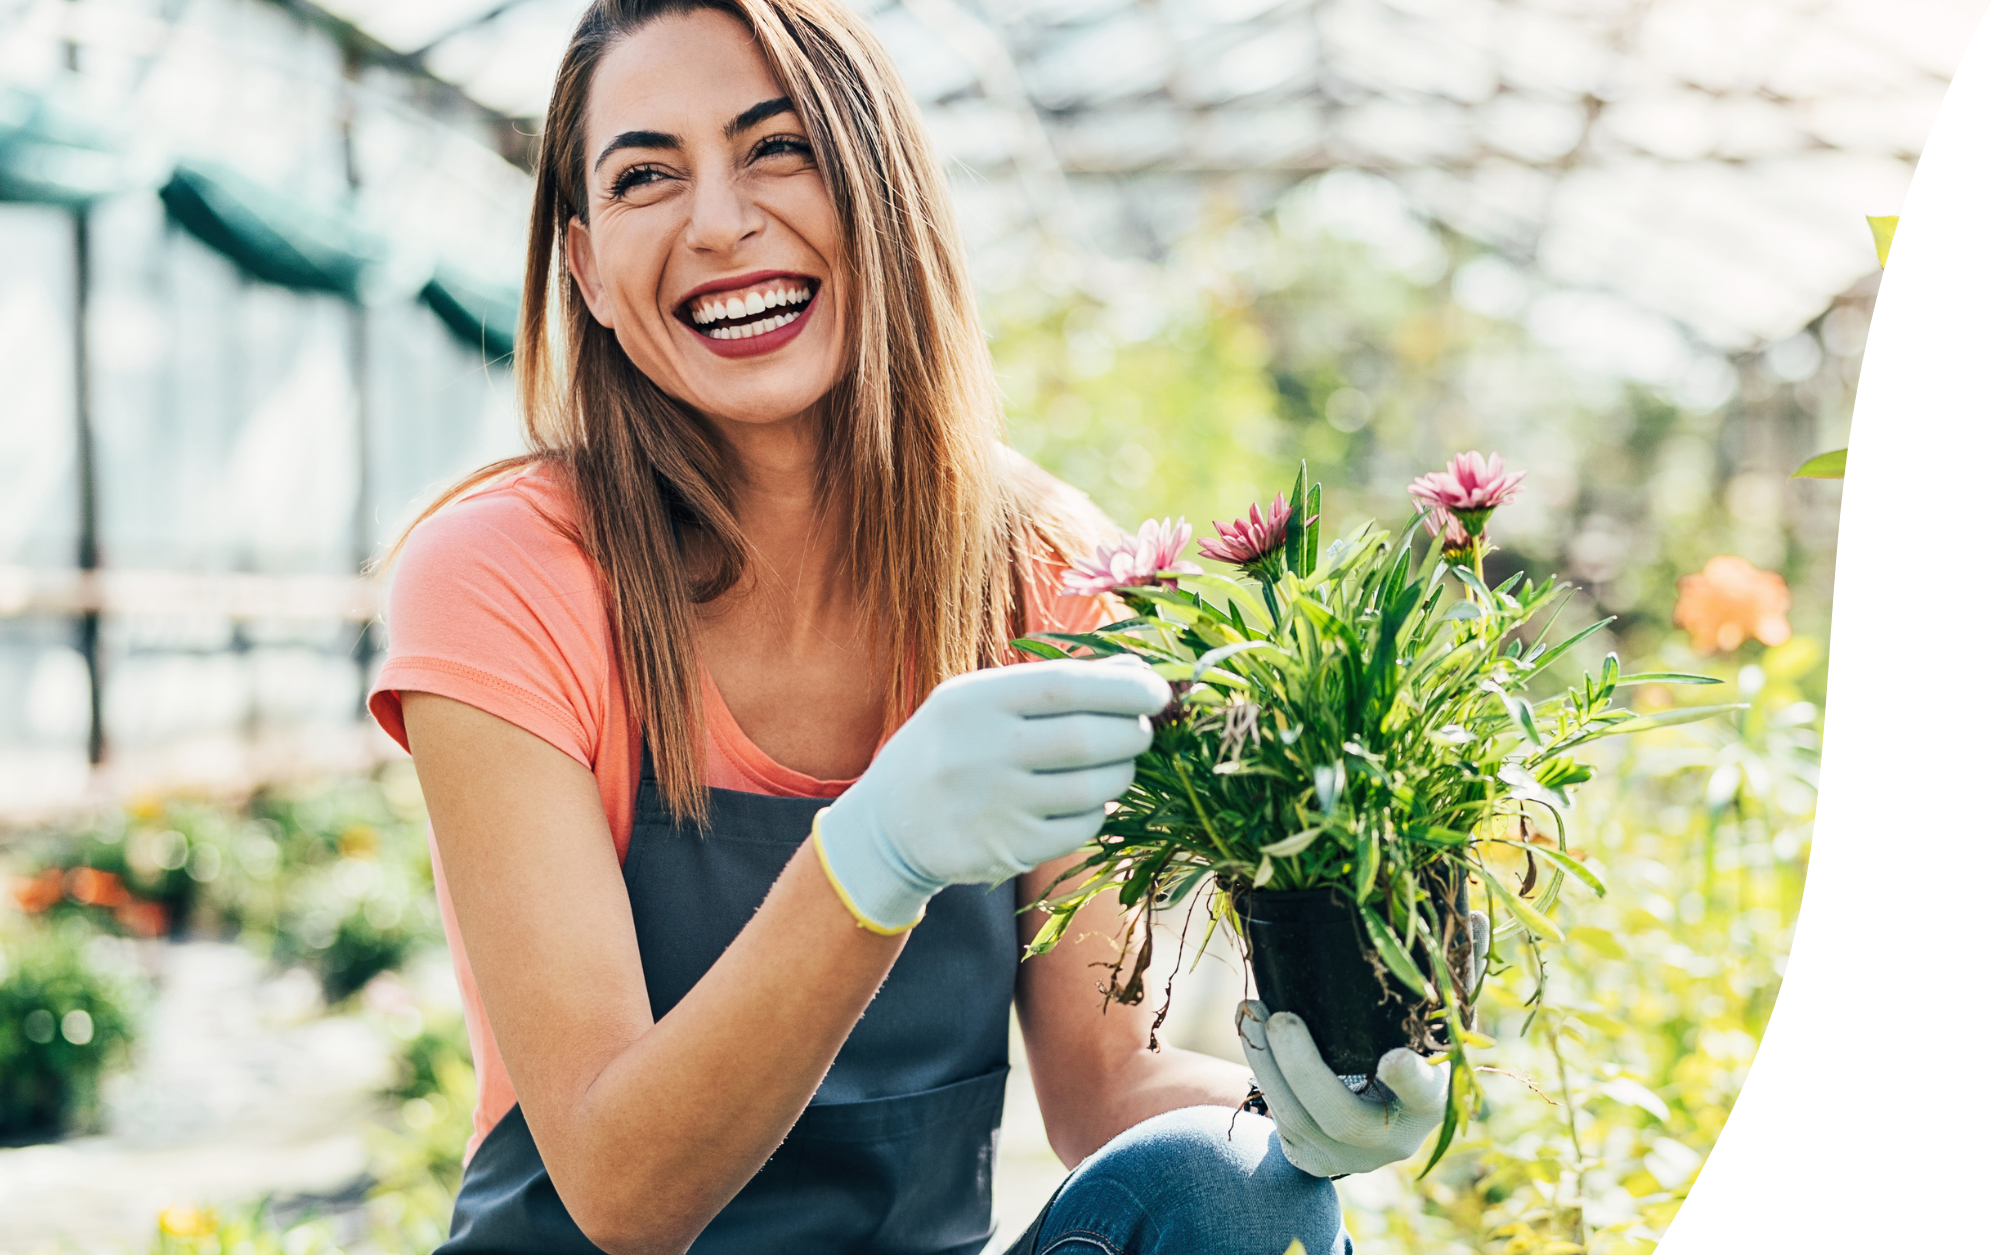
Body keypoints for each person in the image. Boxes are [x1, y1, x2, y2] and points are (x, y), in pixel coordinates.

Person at [370, 2, 1452, 1251]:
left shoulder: (1039, 571)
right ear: (588, 270)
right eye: (645, 175)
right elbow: (622, 1193)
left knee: (1231, 1190)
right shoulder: (511, 573)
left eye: (778, 147)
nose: (716, 223)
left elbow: (1108, 1087)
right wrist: (874, 853)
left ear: (883, 190)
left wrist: (1312, 1118)